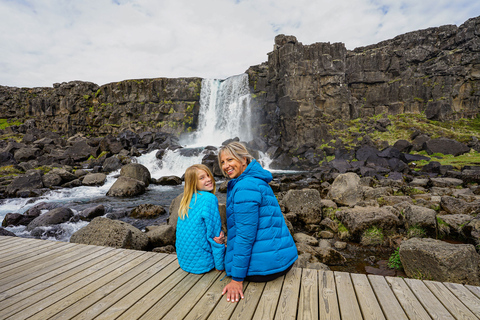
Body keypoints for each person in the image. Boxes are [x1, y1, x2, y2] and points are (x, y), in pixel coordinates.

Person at [218, 142, 298, 303]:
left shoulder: (245, 186)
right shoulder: (256, 179)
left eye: (230, 160)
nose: (226, 166)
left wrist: (237, 280)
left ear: (243, 160)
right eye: (222, 162)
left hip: (265, 269)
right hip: (282, 260)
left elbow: (245, 236)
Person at [175, 164, 225, 274]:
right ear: (193, 183)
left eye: (208, 175)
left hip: (185, 263)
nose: (208, 179)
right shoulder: (209, 198)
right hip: (203, 264)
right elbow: (215, 237)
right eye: (202, 178)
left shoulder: (186, 199)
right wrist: (220, 266)